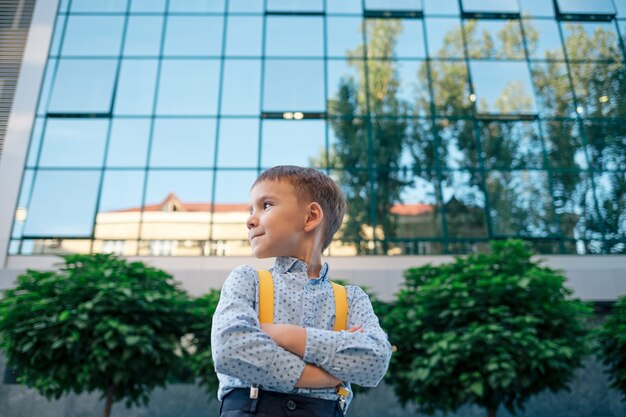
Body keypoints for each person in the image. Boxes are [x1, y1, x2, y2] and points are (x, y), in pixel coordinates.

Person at [211, 165, 392, 417]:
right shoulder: (246, 279)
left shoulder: (351, 298)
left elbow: (375, 361)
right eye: (251, 209)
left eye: (266, 205)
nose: (250, 219)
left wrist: (281, 333)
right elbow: (230, 349)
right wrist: (324, 377)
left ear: (310, 217)